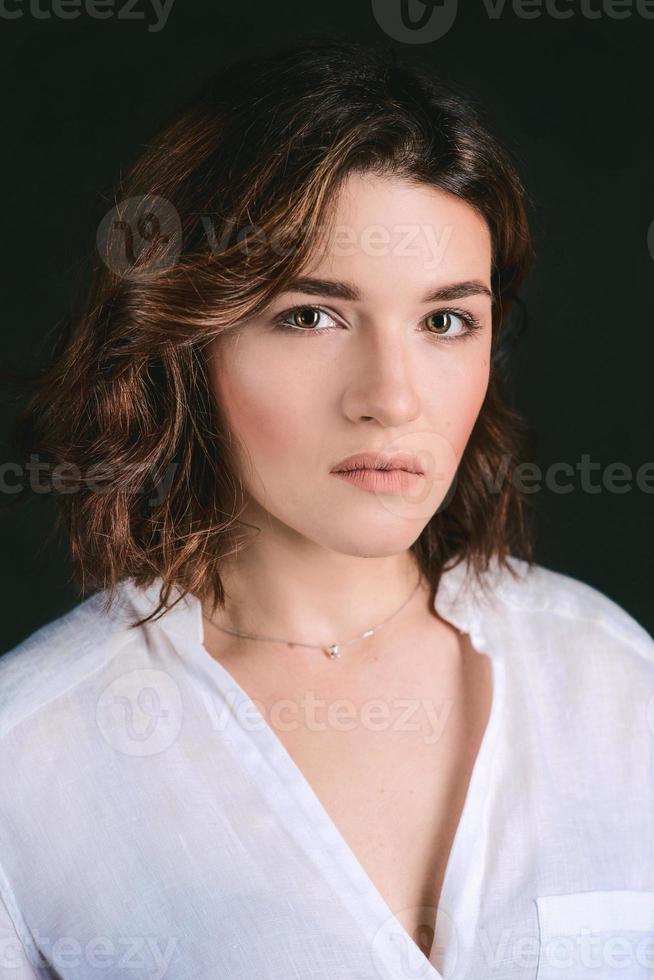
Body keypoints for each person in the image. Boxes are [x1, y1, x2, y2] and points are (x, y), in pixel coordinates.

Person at [1, 37, 652, 980]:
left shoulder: (610, 679)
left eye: (445, 321)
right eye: (311, 314)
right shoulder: (33, 761)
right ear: (186, 339)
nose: (391, 397)